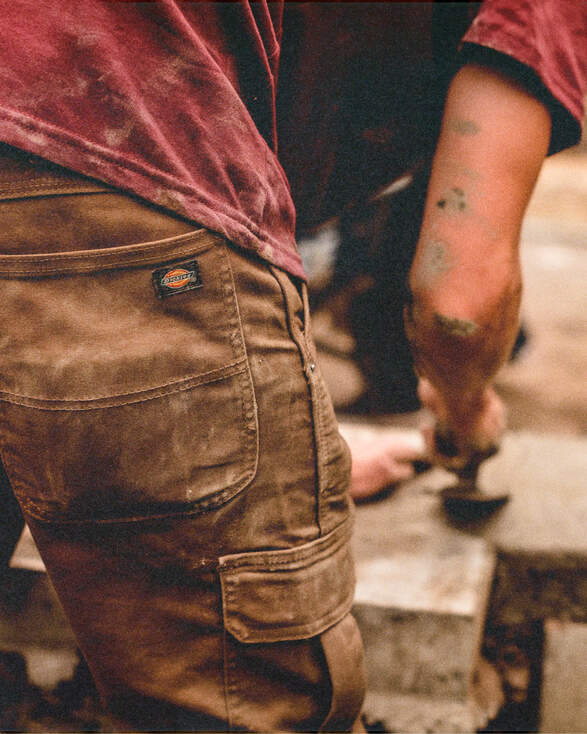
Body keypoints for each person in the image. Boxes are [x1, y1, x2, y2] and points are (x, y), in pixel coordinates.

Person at [0, 1, 584, 731]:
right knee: (244, 700)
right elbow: (458, 304)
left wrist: (307, 448)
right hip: (116, 151)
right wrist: (465, 411)